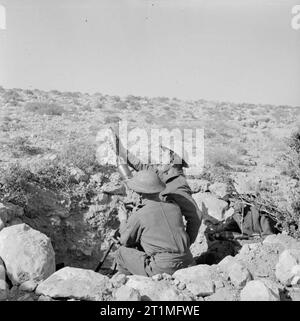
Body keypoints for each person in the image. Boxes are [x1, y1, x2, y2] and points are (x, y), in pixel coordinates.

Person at [110, 129, 202, 244]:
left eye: (164, 154)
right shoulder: (161, 173)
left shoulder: (178, 186)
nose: (159, 157)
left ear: (172, 160)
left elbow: (196, 216)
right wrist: (120, 149)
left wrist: (185, 242)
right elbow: (140, 165)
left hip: (162, 240)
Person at [115, 170, 195, 276]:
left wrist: (123, 219)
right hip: (189, 263)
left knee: (121, 252)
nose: (133, 193)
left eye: (134, 191)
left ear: (140, 195)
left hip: (164, 269)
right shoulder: (174, 207)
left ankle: (126, 283)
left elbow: (124, 241)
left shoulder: (140, 215)